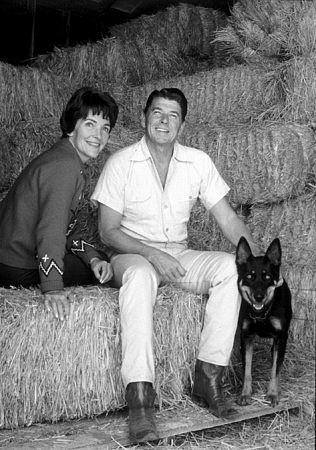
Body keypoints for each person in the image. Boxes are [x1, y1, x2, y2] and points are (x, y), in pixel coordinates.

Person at [91, 88, 262, 443]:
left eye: (172, 115)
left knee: (231, 268)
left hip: (179, 255)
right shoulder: (120, 162)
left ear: (182, 124)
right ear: (144, 118)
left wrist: (258, 261)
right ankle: (140, 401)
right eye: (157, 112)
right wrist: (153, 255)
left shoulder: (197, 161)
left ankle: (208, 377)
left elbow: (228, 220)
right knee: (139, 277)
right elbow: (107, 232)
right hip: (132, 255)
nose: (163, 121)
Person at [0, 86, 118, 321]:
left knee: (99, 261)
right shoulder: (65, 166)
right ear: (73, 125)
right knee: (105, 269)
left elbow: (67, 230)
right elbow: (51, 232)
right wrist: (53, 288)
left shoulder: (65, 158)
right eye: (90, 124)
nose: (99, 135)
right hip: (14, 265)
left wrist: (92, 257)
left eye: (105, 128)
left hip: (8, 257)